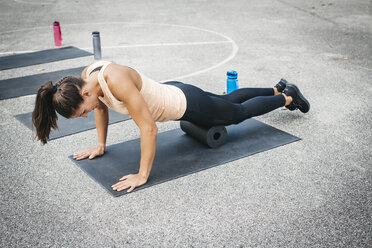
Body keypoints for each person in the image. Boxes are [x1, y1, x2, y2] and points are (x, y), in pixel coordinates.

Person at [32, 60, 310, 193]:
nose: (85, 115)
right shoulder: (87, 77)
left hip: (185, 104)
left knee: (235, 113)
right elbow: (101, 108)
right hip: (175, 91)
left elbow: (149, 128)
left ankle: (287, 97)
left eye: (82, 112)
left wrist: (142, 175)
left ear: (84, 94)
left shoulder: (113, 79)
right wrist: (101, 145)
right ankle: (276, 87)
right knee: (225, 103)